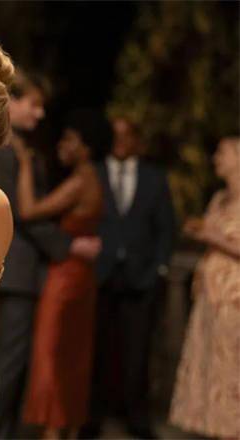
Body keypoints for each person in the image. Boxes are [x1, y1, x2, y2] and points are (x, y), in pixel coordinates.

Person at [0, 71, 101, 439]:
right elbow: (19, 212)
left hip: (27, 268)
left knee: (19, 364)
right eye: (33, 104)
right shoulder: (3, 149)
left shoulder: (20, 147)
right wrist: (68, 244)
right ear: (11, 102)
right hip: (18, 268)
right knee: (10, 363)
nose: (40, 113)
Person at [82, 117, 176, 439]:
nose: (120, 141)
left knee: (139, 353)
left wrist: (159, 269)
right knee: (96, 351)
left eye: (126, 135)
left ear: (137, 140)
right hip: (99, 277)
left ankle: (138, 419)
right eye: (115, 135)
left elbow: (166, 228)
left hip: (141, 279)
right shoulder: (92, 173)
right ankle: (92, 419)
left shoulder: (155, 178)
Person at [16, 109, 106, 439]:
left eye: (70, 139)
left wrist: (25, 165)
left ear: (86, 147)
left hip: (65, 278)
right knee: (73, 356)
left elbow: (28, 210)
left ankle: (52, 431)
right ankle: (66, 426)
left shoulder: (80, 181)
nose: (63, 145)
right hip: (81, 276)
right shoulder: (95, 178)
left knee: (51, 354)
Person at [169, 137, 240, 440]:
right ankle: (214, 429)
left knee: (232, 366)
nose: (216, 158)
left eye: (222, 152)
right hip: (209, 291)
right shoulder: (219, 198)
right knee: (210, 364)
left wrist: (212, 237)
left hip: (234, 296)